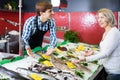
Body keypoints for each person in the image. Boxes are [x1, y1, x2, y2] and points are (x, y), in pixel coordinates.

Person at [72, 8, 120, 80]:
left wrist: (85, 59)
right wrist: (93, 52)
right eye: (98, 18)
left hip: (114, 73)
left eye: (102, 17)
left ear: (109, 18)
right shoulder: (106, 32)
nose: (99, 20)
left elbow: (106, 53)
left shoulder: (114, 32)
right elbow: (105, 51)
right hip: (107, 69)